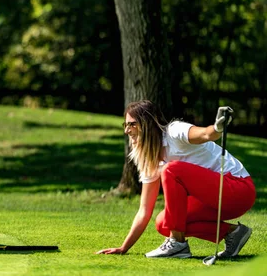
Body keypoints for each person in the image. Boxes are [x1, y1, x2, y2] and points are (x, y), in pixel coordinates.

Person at [97, 100, 256, 258]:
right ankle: (233, 233)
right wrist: (123, 248)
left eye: (132, 124)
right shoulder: (150, 159)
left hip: (238, 190)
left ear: (147, 124)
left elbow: (206, 134)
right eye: (125, 125)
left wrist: (217, 127)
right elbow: (144, 210)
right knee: (164, 223)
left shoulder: (174, 131)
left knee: (171, 170)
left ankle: (177, 244)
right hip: (214, 198)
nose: (127, 130)